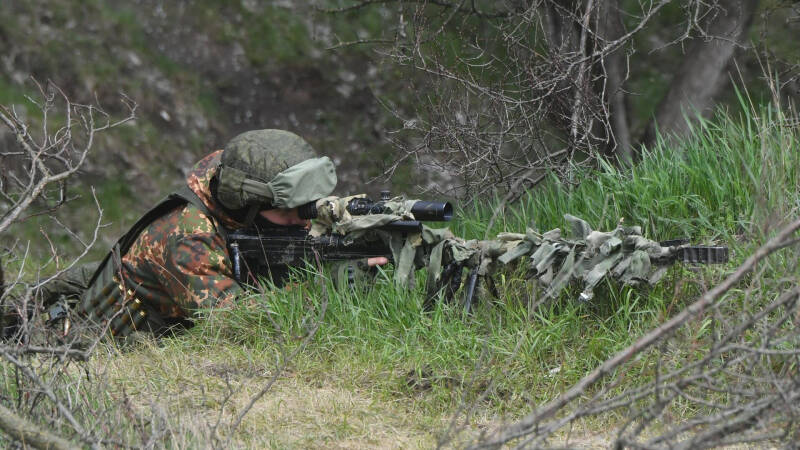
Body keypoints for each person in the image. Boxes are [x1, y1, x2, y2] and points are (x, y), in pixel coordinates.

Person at [44, 129, 385, 337]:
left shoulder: (233, 183)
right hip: (91, 341)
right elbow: (229, 320)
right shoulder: (188, 233)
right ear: (248, 204)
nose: (304, 221)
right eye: (288, 211)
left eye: (308, 206)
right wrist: (329, 287)